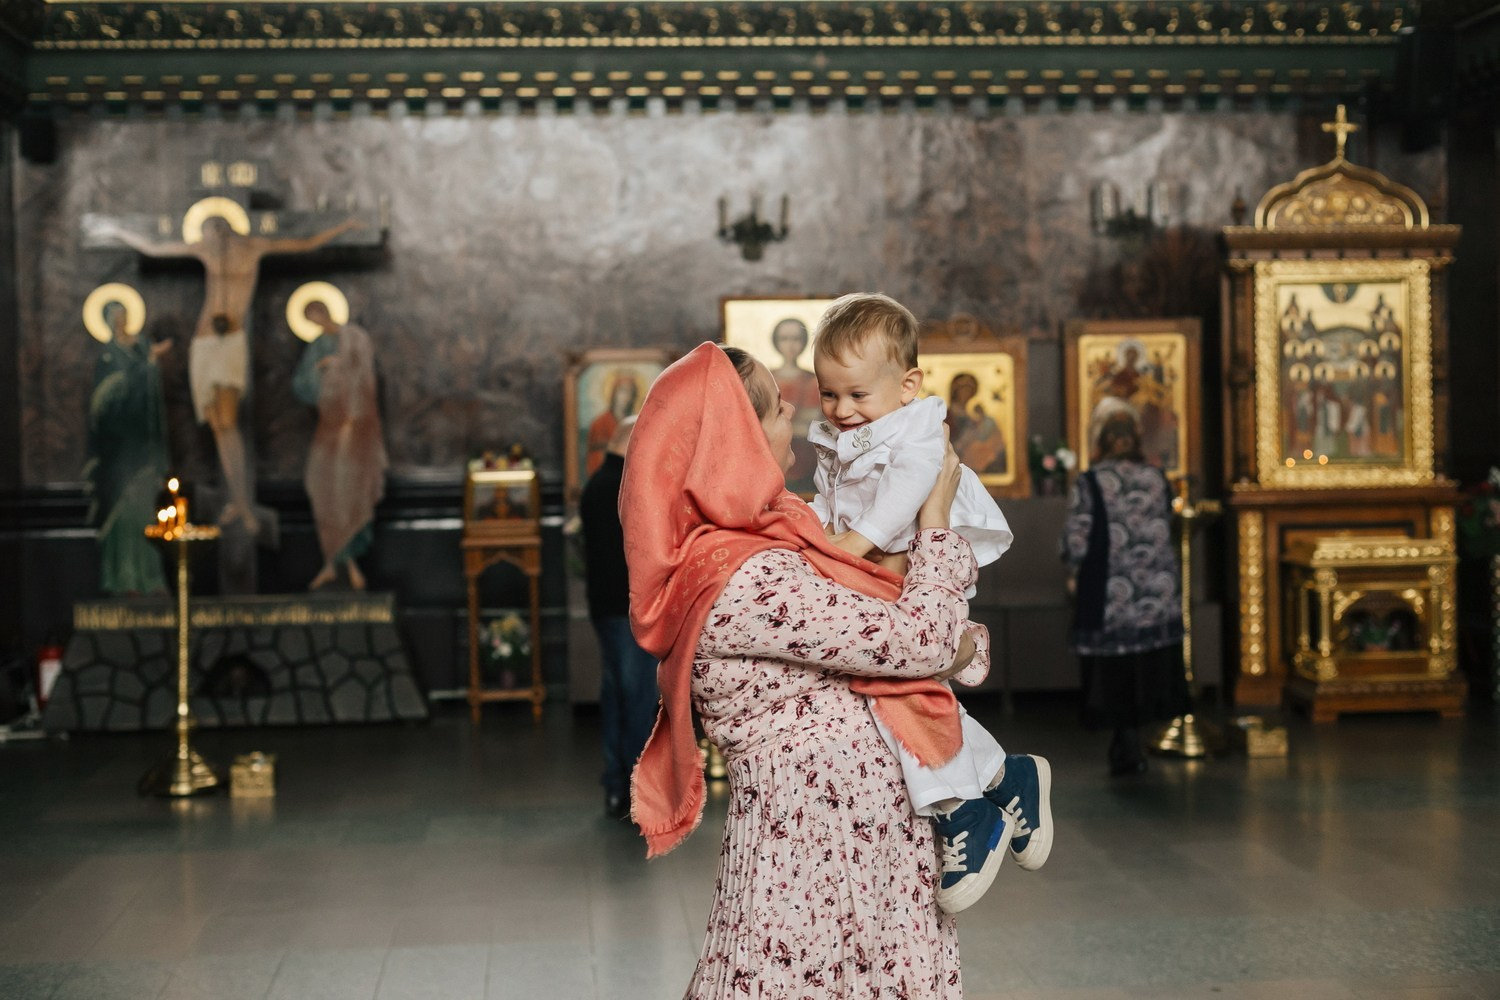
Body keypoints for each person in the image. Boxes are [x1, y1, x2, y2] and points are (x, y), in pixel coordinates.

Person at [621, 343, 1051, 997]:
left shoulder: (781, 536)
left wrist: (947, 644)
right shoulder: (747, 576)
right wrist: (936, 521)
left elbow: (904, 631)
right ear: (732, 438)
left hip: (868, 857)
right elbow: (918, 641)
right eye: (771, 408)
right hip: (815, 878)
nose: (791, 414)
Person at [806, 292, 1046, 914]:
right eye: (828, 394)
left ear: (908, 383)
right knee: (894, 689)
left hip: (925, 560)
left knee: (889, 682)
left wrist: (850, 546)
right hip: (883, 569)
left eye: (858, 394)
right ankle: (1001, 776)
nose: (842, 409)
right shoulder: (844, 431)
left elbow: (907, 492)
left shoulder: (917, 429)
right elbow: (834, 495)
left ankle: (960, 808)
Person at [102, 214, 360, 533]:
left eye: (213, 233)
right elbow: (155, 249)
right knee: (217, 426)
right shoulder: (206, 250)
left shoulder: (254, 248)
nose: (210, 240)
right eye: (206, 235)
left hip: (230, 343)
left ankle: (242, 503)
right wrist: (118, 231)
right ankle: (239, 502)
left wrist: (343, 226)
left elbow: (305, 243)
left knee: (228, 422)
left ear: (226, 228)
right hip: (204, 342)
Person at [1062, 398, 1188, 776]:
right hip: (1154, 589)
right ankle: (1136, 737)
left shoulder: (1090, 480)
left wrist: (1071, 569)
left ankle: (1124, 737)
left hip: (1110, 590)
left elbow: (1078, 533)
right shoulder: (1156, 477)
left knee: (1113, 665)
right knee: (1147, 662)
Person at [578, 414, 658, 820]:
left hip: (606, 608)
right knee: (638, 700)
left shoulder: (598, 485)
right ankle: (634, 793)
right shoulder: (624, 487)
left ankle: (616, 785)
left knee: (616, 698)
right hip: (630, 611)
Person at [291, 300, 387, 591]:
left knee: (349, 493)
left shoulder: (354, 337)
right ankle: (332, 562)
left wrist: (339, 366)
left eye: (317, 314)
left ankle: (348, 564)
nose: (317, 321)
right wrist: (320, 372)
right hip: (329, 427)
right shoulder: (317, 346)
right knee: (321, 489)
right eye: (310, 318)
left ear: (326, 310)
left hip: (355, 426)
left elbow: (364, 373)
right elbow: (301, 385)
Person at [83, 301, 172, 596]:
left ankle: (150, 576)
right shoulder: (108, 356)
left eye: (123, 316)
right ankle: (124, 578)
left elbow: (147, 389)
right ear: (107, 322)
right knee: (123, 512)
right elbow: (104, 402)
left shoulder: (137, 348)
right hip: (119, 449)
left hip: (143, 446)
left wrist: (148, 358)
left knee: (147, 511)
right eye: (115, 317)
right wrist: (146, 360)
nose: (120, 322)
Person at [767, 317, 822, 485]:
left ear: (804, 342)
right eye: (784, 339)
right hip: (771, 456)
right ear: (776, 342)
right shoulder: (767, 378)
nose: (790, 345)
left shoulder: (813, 381)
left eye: (796, 339)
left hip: (804, 457)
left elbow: (811, 422)